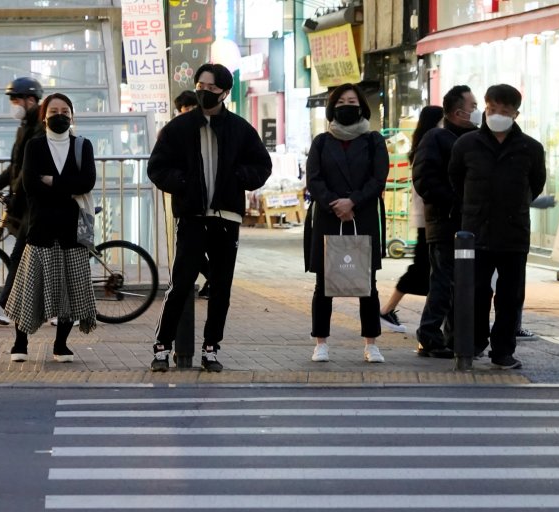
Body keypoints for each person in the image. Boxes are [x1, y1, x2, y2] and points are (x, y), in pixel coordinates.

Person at [147, 63, 272, 373]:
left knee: (221, 287)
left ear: (225, 93)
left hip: (226, 217)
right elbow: (157, 168)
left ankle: (211, 348)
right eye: (200, 86)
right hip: (191, 216)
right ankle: (162, 346)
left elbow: (262, 165)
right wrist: (184, 183)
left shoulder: (240, 129)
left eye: (211, 89)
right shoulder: (179, 128)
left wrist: (238, 177)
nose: (203, 92)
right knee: (181, 283)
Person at [448, 83, 546, 370]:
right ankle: (474, 343)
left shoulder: (530, 148)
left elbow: (536, 185)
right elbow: (455, 180)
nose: (497, 114)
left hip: (514, 233)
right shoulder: (466, 144)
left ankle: (503, 351)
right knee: (475, 292)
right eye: (492, 108)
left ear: (515, 114)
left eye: (504, 110)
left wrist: (516, 205)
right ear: (485, 109)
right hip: (475, 233)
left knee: (510, 297)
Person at [7, 93, 97, 362]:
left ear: (72, 115)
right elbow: (30, 186)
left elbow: (87, 182)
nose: (60, 115)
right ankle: (20, 343)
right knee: (29, 289)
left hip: (73, 229)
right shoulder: (34, 146)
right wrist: (66, 187)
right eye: (54, 110)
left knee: (72, 289)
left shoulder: (83, 146)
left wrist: (53, 182)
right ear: (44, 115)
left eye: (65, 110)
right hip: (41, 227)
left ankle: (61, 345)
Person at [303, 84, 390, 364]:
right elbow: (314, 179)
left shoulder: (374, 140)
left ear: (362, 106)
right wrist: (335, 203)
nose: (346, 105)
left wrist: (352, 202)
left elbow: (378, 178)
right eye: (341, 101)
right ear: (332, 107)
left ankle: (371, 343)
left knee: (367, 282)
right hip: (329, 217)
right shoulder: (321, 142)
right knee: (324, 283)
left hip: (361, 215)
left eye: (352, 101)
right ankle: (321, 343)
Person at [413, 85, 479, 358]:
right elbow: (424, 179)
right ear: (457, 111)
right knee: (443, 280)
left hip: (469, 225)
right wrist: (455, 202)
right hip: (445, 223)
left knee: (460, 282)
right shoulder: (437, 138)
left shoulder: (476, 139)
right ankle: (429, 335)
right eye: (473, 107)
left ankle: (455, 337)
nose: (477, 112)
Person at [0, 76, 44, 326]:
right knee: (33, 258)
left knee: (21, 256)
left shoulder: (40, 128)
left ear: (31, 99)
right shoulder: (25, 126)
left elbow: (28, 171)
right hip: (27, 203)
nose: (13, 103)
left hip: (37, 206)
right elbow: (16, 166)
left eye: (16, 98)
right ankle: (54, 309)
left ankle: (4, 306)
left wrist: (16, 196)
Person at [378, 104, 444, 333]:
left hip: (427, 219)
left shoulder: (423, 146)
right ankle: (386, 310)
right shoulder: (430, 147)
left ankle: (437, 317)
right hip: (429, 219)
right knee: (423, 269)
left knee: (429, 269)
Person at [173, 90, 211, 300]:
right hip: (186, 204)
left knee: (198, 249)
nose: (189, 113)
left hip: (210, 204)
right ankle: (213, 279)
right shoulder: (173, 133)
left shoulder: (208, 131)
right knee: (192, 250)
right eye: (185, 110)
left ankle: (213, 280)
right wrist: (182, 182)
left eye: (192, 109)